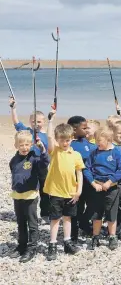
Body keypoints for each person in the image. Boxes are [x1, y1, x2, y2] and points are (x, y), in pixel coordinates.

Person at [44, 110, 85, 260]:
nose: (64, 143)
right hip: (55, 192)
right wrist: (50, 121)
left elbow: (79, 173)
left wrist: (78, 191)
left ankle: (67, 242)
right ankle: (52, 244)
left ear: (71, 139)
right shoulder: (54, 151)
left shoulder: (76, 155)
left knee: (67, 218)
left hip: (71, 193)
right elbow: (49, 136)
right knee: (55, 219)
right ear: (57, 140)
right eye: (61, 140)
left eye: (67, 140)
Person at [8, 131, 49, 262]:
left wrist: (42, 150)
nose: (24, 147)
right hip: (17, 195)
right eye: (21, 145)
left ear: (31, 145)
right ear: (16, 145)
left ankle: (32, 248)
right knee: (20, 223)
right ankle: (21, 246)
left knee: (32, 223)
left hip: (30, 196)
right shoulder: (14, 160)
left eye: (27, 144)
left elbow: (44, 163)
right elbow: (13, 171)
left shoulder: (34, 158)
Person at [84, 127, 121, 250]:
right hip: (97, 187)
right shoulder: (94, 152)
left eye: (99, 140)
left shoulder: (116, 152)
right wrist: (93, 183)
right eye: (96, 140)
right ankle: (95, 236)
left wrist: (110, 181)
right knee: (97, 214)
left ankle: (112, 236)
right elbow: (87, 169)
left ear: (108, 140)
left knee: (111, 213)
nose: (97, 143)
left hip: (111, 188)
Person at [9, 97, 50, 224]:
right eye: (33, 122)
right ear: (30, 122)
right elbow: (16, 122)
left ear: (43, 122)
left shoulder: (46, 136)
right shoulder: (26, 131)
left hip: (40, 166)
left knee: (44, 190)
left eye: (38, 122)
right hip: (28, 165)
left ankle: (45, 213)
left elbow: (49, 152)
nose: (36, 124)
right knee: (29, 188)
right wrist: (13, 108)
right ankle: (26, 210)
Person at [67, 115, 97, 242]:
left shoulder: (89, 144)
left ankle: (84, 222)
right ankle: (73, 236)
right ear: (74, 129)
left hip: (90, 181)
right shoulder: (70, 145)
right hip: (76, 182)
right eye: (84, 128)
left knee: (94, 205)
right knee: (76, 208)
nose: (87, 130)